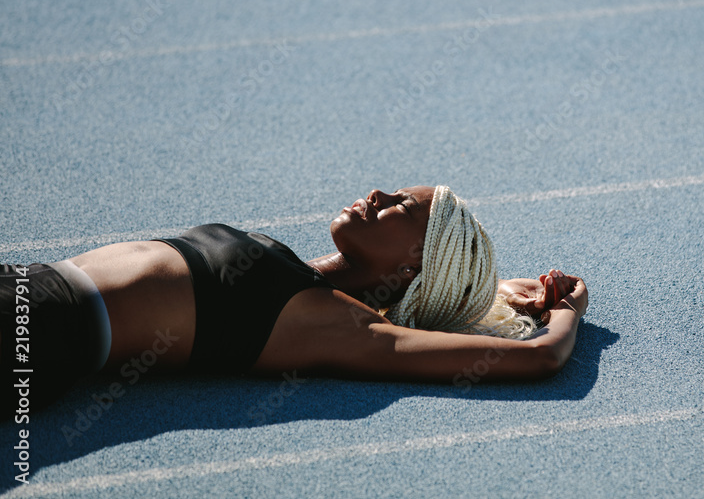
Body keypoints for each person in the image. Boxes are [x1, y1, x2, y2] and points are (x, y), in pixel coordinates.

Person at [2, 185, 587, 412]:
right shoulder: (301, 277)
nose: (377, 193)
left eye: (400, 207)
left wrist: (567, 314)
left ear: (416, 263)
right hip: (24, 283)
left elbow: (540, 359)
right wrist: (510, 292)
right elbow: (447, 290)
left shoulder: (330, 323)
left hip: (34, 327)